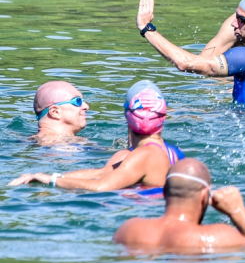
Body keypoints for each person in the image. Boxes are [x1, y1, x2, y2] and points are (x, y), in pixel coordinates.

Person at [10, 81, 183, 191]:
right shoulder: (173, 152)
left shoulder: (137, 155)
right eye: (77, 101)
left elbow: (103, 179)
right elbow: (104, 173)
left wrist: (50, 179)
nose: (86, 106)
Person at [113, 159, 245, 251]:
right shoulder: (218, 236)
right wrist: (237, 211)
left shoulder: (128, 229)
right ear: (205, 196)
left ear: (164, 193)